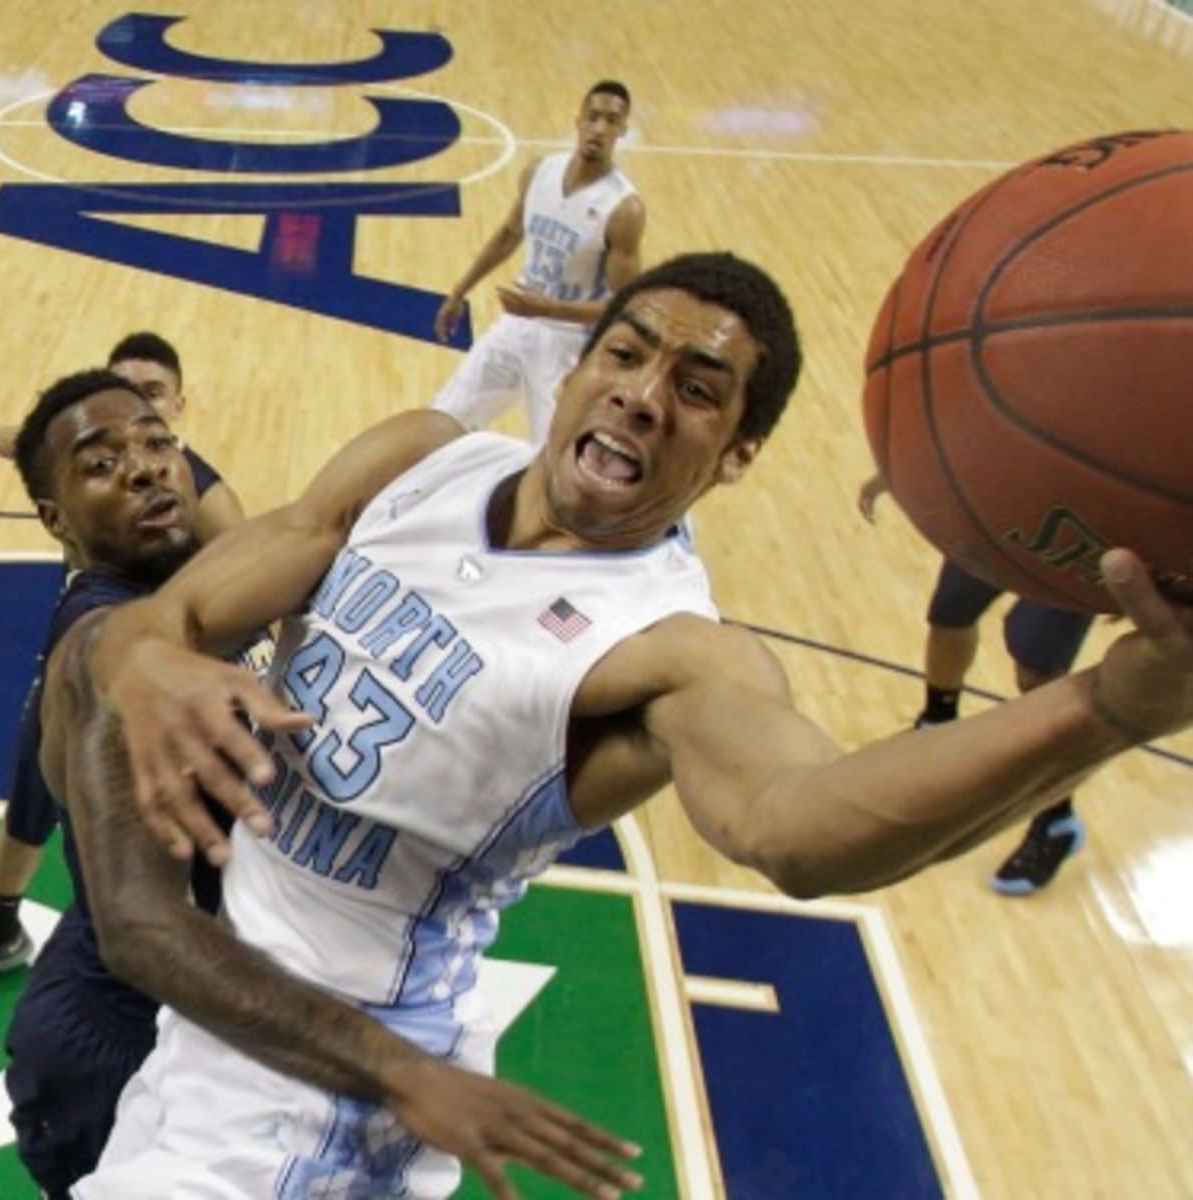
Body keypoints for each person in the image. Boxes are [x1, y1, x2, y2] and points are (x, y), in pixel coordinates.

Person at [61, 252, 1193, 1198]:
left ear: (736, 457)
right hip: (219, 1003)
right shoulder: (417, 462)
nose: (643, 394)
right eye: (626, 351)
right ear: (572, 372)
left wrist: (1102, 707)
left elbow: (799, 829)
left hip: (328, 1083)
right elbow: (175, 612)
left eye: (699, 389)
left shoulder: (669, 652)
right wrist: (149, 660)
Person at [5, 369, 638, 1200]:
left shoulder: (206, 587)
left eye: (160, 444)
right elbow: (137, 923)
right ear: (55, 519)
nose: (147, 468)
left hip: (214, 1012)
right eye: (101, 463)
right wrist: (406, 1073)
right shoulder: (102, 644)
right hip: (118, 1033)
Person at [0, 331, 245, 972]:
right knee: (38, 771)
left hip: (172, 671)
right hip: (91, 647)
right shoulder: (74, 459)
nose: (136, 463)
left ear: (178, 407)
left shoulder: (202, 497)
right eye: (101, 460)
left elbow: (248, 583)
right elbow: (19, 443)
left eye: (150, 400)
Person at [859, 473, 1094, 894]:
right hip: (1012, 502)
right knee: (950, 613)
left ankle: (1057, 819)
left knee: (1036, 666)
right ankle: (936, 724)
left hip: (1091, 533)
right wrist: (902, 464)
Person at [432, 79, 645, 445]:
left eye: (611, 121)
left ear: (622, 130)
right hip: (515, 325)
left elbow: (624, 306)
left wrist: (552, 308)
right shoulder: (538, 172)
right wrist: (458, 291)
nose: (599, 129)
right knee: (443, 418)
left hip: (567, 346)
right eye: (593, 117)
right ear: (577, 120)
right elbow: (508, 234)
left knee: (552, 458)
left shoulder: (623, 208)